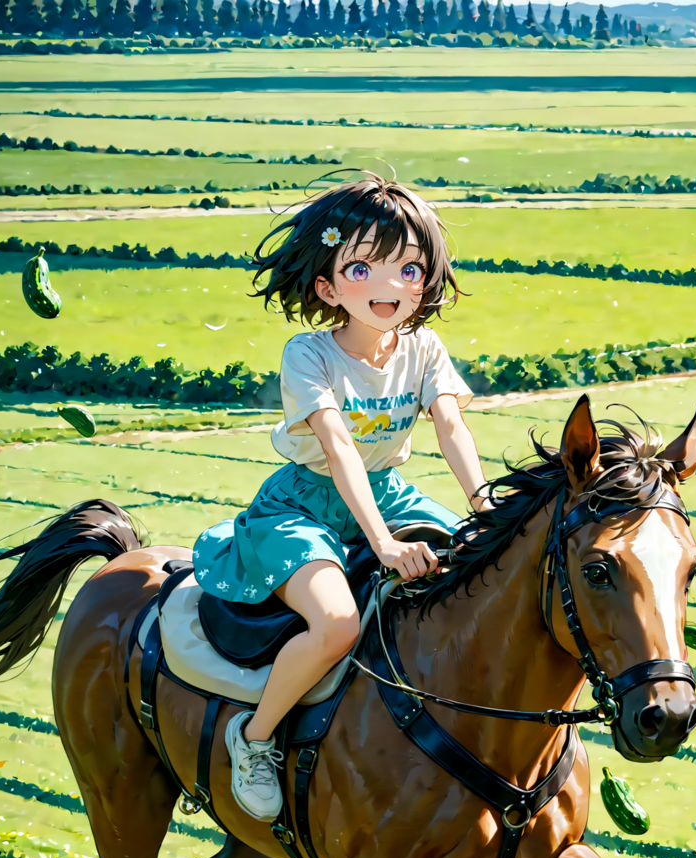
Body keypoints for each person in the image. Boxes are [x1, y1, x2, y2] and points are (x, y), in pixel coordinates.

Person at [192, 174, 490, 821]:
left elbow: (450, 427)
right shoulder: (310, 356)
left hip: (390, 491)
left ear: (427, 278)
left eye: (408, 268)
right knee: (336, 625)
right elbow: (338, 448)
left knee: (484, 577)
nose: (389, 286)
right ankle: (255, 738)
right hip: (303, 505)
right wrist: (382, 544)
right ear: (327, 286)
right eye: (363, 268)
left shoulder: (424, 348)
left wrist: (486, 507)